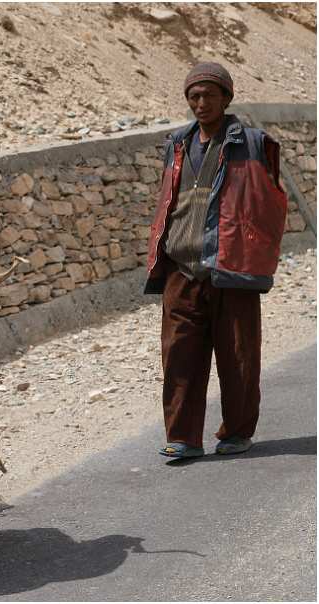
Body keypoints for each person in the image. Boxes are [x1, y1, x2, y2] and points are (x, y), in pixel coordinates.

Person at [145, 62, 288, 459]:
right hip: (181, 268)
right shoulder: (177, 143)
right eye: (194, 96)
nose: (201, 103)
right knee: (179, 356)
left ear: (227, 98)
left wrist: (256, 252)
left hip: (232, 266)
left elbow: (273, 205)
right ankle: (184, 437)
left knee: (238, 355)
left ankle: (237, 431)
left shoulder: (255, 143)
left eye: (209, 95)